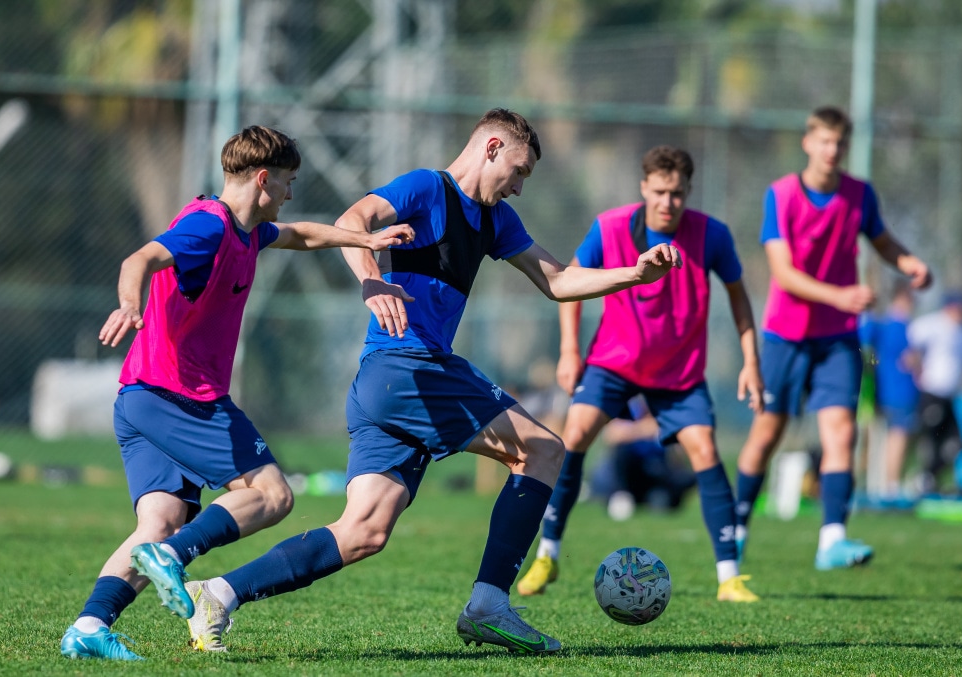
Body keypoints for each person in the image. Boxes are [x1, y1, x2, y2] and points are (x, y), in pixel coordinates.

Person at [134, 108, 681, 655]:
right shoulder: (428, 188)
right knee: (543, 450)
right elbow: (355, 220)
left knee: (362, 532)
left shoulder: (495, 221)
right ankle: (489, 604)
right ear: (490, 148)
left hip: (387, 386)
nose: (518, 187)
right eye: (517, 171)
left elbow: (558, 280)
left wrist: (636, 273)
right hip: (409, 368)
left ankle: (220, 594)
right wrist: (372, 283)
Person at [60, 126, 415, 661]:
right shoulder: (207, 227)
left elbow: (300, 236)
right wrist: (130, 304)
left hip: (139, 397)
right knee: (273, 495)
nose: (292, 195)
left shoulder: (249, 231)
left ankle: (89, 625)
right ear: (264, 178)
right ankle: (173, 557)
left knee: (158, 520)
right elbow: (140, 260)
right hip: (178, 396)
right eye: (289, 183)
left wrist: (364, 241)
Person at [516, 145, 764, 603]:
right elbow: (569, 278)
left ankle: (730, 577)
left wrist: (750, 360)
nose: (669, 201)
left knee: (705, 449)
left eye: (678, 192)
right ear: (644, 187)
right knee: (576, 432)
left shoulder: (712, 235)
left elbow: (738, 297)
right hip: (613, 362)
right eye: (660, 191)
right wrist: (570, 351)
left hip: (678, 372)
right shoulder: (610, 226)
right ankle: (547, 555)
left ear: (688, 191)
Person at [733, 106, 932, 571]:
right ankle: (736, 529)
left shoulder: (860, 195)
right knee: (766, 434)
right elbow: (782, 271)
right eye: (824, 141)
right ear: (808, 143)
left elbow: (882, 241)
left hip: (838, 339)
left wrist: (908, 263)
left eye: (840, 143)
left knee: (843, 432)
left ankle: (832, 539)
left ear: (847, 147)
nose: (832, 150)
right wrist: (840, 296)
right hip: (786, 336)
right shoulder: (781, 195)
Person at [907, 290, 962, 494]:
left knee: (953, 444)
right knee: (931, 439)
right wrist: (917, 368)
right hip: (932, 393)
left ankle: (931, 478)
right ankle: (922, 479)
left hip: (952, 397)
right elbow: (911, 349)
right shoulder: (932, 325)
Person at [858, 283, 919, 502]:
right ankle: (889, 486)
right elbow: (863, 341)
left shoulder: (887, 326)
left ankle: (881, 484)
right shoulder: (900, 327)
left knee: (883, 438)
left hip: (886, 392)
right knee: (897, 437)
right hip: (897, 393)